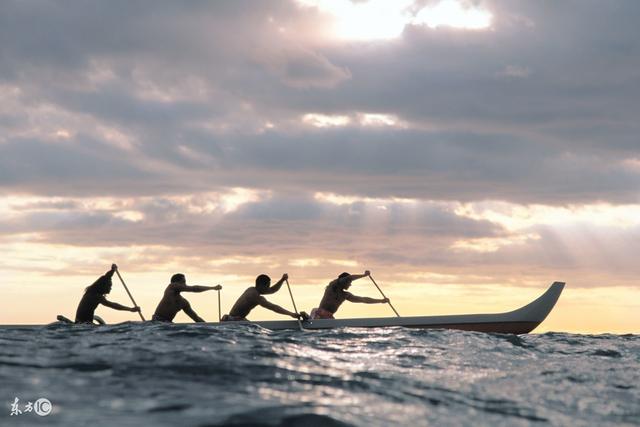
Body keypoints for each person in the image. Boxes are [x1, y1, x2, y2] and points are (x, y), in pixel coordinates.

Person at [222, 273, 304, 321]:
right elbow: (273, 307)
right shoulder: (254, 296)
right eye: (267, 286)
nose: (268, 288)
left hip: (236, 319)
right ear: (261, 285)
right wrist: (291, 314)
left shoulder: (252, 289)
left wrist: (282, 280)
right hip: (232, 320)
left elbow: (273, 290)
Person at [74, 264, 141, 323]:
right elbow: (113, 305)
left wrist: (112, 270)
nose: (110, 288)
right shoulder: (96, 296)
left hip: (80, 322)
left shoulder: (91, 292)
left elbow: (106, 277)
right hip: (84, 324)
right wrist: (130, 309)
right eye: (109, 286)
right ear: (103, 286)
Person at [310, 270, 389, 319]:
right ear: (344, 281)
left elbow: (363, 299)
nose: (350, 284)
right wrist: (364, 275)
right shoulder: (332, 286)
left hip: (328, 316)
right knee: (323, 314)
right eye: (349, 283)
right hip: (319, 313)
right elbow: (349, 278)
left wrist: (381, 301)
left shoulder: (345, 295)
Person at [152, 273, 222, 322]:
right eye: (183, 282)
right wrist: (213, 288)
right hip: (156, 322)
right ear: (175, 283)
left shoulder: (183, 303)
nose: (185, 284)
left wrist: (211, 327)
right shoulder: (171, 287)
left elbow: (196, 318)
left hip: (168, 324)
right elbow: (194, 288)